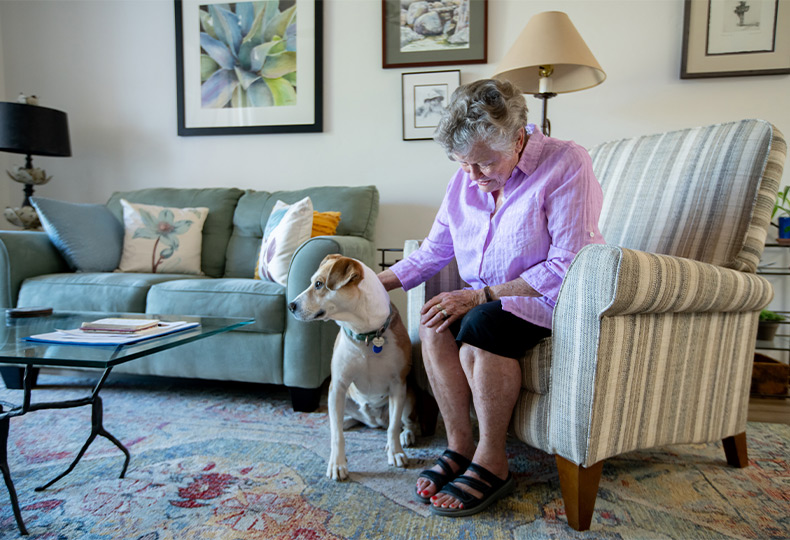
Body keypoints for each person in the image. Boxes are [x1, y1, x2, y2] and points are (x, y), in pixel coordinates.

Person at [377, 78, 605, 517]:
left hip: (546, 297)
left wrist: (481, 294)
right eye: (463, 165)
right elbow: (433, 251)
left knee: (482, 323)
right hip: (484, 299)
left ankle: (492, 459)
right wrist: (373, 281)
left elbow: (570, 262)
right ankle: (460, 445)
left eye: (483, 164)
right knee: (434, 319)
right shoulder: (466, 179)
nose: (473, 177)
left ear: (518, 139)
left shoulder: (565, 162)